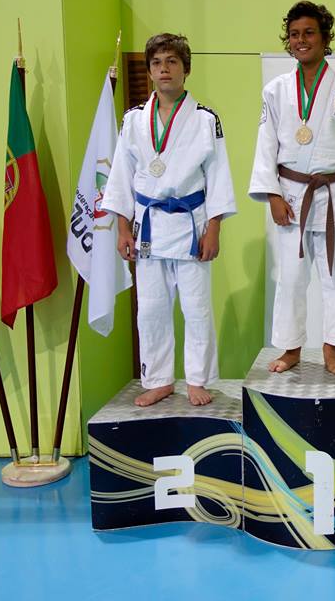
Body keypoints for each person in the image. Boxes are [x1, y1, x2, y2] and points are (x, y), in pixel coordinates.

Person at [103, 33, 236, 407]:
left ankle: (197, 378)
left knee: (196, 307)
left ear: (186, 70)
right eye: (158, 63)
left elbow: (219, 175)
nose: (164, 69)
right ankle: (159, 379)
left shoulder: (205, 119)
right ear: (149, 71)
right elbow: (121, 176)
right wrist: (122, 227)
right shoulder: (133, 120)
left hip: (191, 224)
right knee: (151, 308)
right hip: (148, 225)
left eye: (172, 62)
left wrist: (214, 228)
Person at [248, 0, 335, 375]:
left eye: (309, 33)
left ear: (325, 38)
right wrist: (271, 194)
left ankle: (331, 348)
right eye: (294, 35)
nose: (301, 40)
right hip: (291, 194)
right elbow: (266, 146)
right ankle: (291, 349)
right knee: (290, 276)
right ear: (287, 42)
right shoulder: (275, 90)